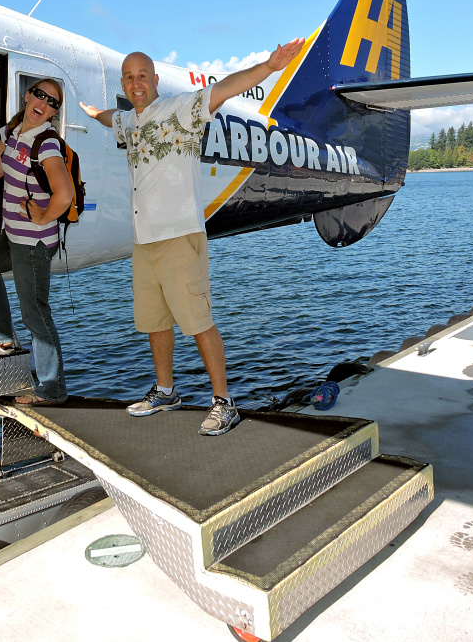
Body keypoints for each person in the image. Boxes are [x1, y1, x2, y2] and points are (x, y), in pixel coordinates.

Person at [80, 39, 305, 435]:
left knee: (198, 321)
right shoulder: (128, 121)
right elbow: (110, 117)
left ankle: (224, 402)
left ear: (156, 79)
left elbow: (226, 88)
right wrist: (95, 112)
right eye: (129, 78)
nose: (136, 83)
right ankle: (166, 392)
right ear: (124, 81)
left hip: (179, 234)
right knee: (156, 321)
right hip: (144, 239)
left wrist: (268, 67)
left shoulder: (180, 109)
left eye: (143, 76)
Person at [0, 79, 74, 405]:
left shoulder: (46, 143)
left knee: (35, 314)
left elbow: (64, 194)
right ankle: (2, 339)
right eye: (40, 95)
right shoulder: (11, 134)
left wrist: (41, 216)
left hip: (35, 243)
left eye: (53, 102)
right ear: (27, 96)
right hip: (13, 235)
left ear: (54, 112)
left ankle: (51, 390)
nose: (44, 103)